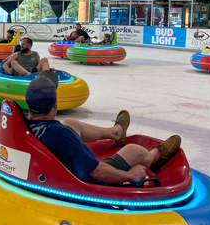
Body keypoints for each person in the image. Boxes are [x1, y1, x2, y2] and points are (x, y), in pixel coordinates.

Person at [24, 71, 181, 185]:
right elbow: (97, 172)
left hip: (53, 165)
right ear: (55, 105)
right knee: (135, 150)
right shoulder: (61, 136)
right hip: (85, 180)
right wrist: (129, 176)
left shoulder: (24, 124)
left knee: (70, 122)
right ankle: (154, 156)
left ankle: (116, 133)